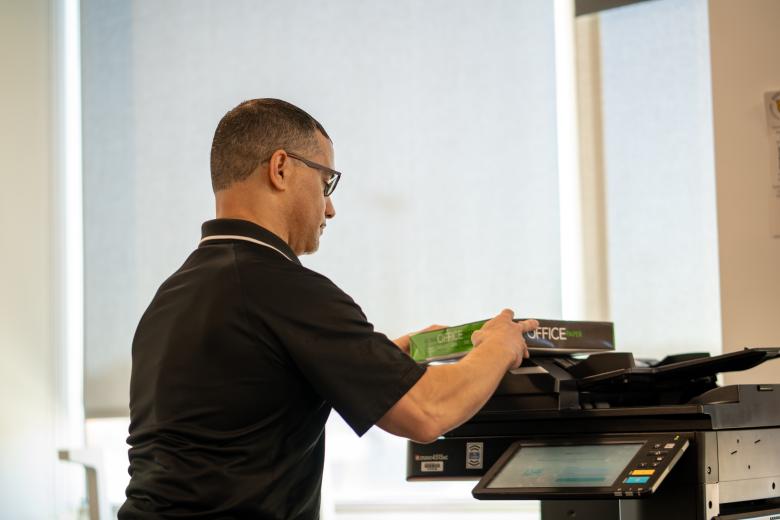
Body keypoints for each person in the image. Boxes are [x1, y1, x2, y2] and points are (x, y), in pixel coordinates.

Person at [117, 98, 538, 519]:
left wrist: (387, 359)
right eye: (326, 183)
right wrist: (499, 345)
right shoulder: (284, 288)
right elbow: (429, 412)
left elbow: (253, 398)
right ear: (280, 168)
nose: (330, 208)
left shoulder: (174, 295)